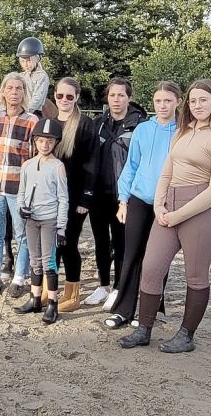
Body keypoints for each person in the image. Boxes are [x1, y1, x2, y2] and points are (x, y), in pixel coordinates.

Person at [119, 79, 211, 353]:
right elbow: (167, 171)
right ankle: (144, 328)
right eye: (193, 100)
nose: (197, 105)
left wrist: (179, 213)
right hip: (169, 206)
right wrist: (159, 206)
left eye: (203, 100)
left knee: (195, 275)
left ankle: (186, 335)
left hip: (200, 210)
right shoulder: (183, 131)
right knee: (151, 267)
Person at [104, 81, 181, 330]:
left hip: (167, 202)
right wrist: (123, 200)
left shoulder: (183, 132)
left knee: (157, 258)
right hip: (139, 198)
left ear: (177, 102)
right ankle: (123, 309)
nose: (162, 105)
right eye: (158, 101)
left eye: (167, 101)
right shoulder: (143, 130)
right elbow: (130, 167)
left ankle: (150, 309)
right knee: (130, 253)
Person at [86, 77, 148, 307]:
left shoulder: (140, 125)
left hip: (125, 196)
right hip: (99, 194)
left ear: (129, 97)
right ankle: (103, 285)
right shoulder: (98, 123)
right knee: (101, 241)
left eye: (121, 95)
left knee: (121, 242)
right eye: (112, 95)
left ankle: (119, 288)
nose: (116, 99)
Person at [0, 72, 38, 298]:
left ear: (24, 92)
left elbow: (34, 157)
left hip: (18, 187)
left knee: (21, 234)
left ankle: (19, 277)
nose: (14, 92)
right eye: (10, 88)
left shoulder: (31, 121)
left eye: (19, 88)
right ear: (3, 91)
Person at [13, 117, 69, 324]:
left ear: (55, 143)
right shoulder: (27, 165)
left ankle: (52, 303)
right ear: (34, 141)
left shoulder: (58, 166)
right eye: (41, 141)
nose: (45, 145)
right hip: (31, 220)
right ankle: (35, 298)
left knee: (49, 262)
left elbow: (64, 199)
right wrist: (21, 208)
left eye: (49, 141)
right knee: (34, 260)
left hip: (49, 221)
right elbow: (21, 192)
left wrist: (61, 226)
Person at [52, 77, 98, 312]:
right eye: (60, 96)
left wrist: (85, 199)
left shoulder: (85, 124)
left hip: (74, 197)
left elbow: (92, 163)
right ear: (55, 95)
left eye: (70, 96)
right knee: (50, 246)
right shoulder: (48, 123)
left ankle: (73, 293)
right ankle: (50, 291)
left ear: (77, 97)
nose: (64, 100)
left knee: (68, 243)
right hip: (50, 197)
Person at [17, 37, 50, 117]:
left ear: (37, 59)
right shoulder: (21, 76)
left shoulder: (42, 76)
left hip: (33, 113)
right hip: (18, 111)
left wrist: (24, 113)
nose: (26, 64)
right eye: (23, 61)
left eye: (29, 61)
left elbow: (37, 99)